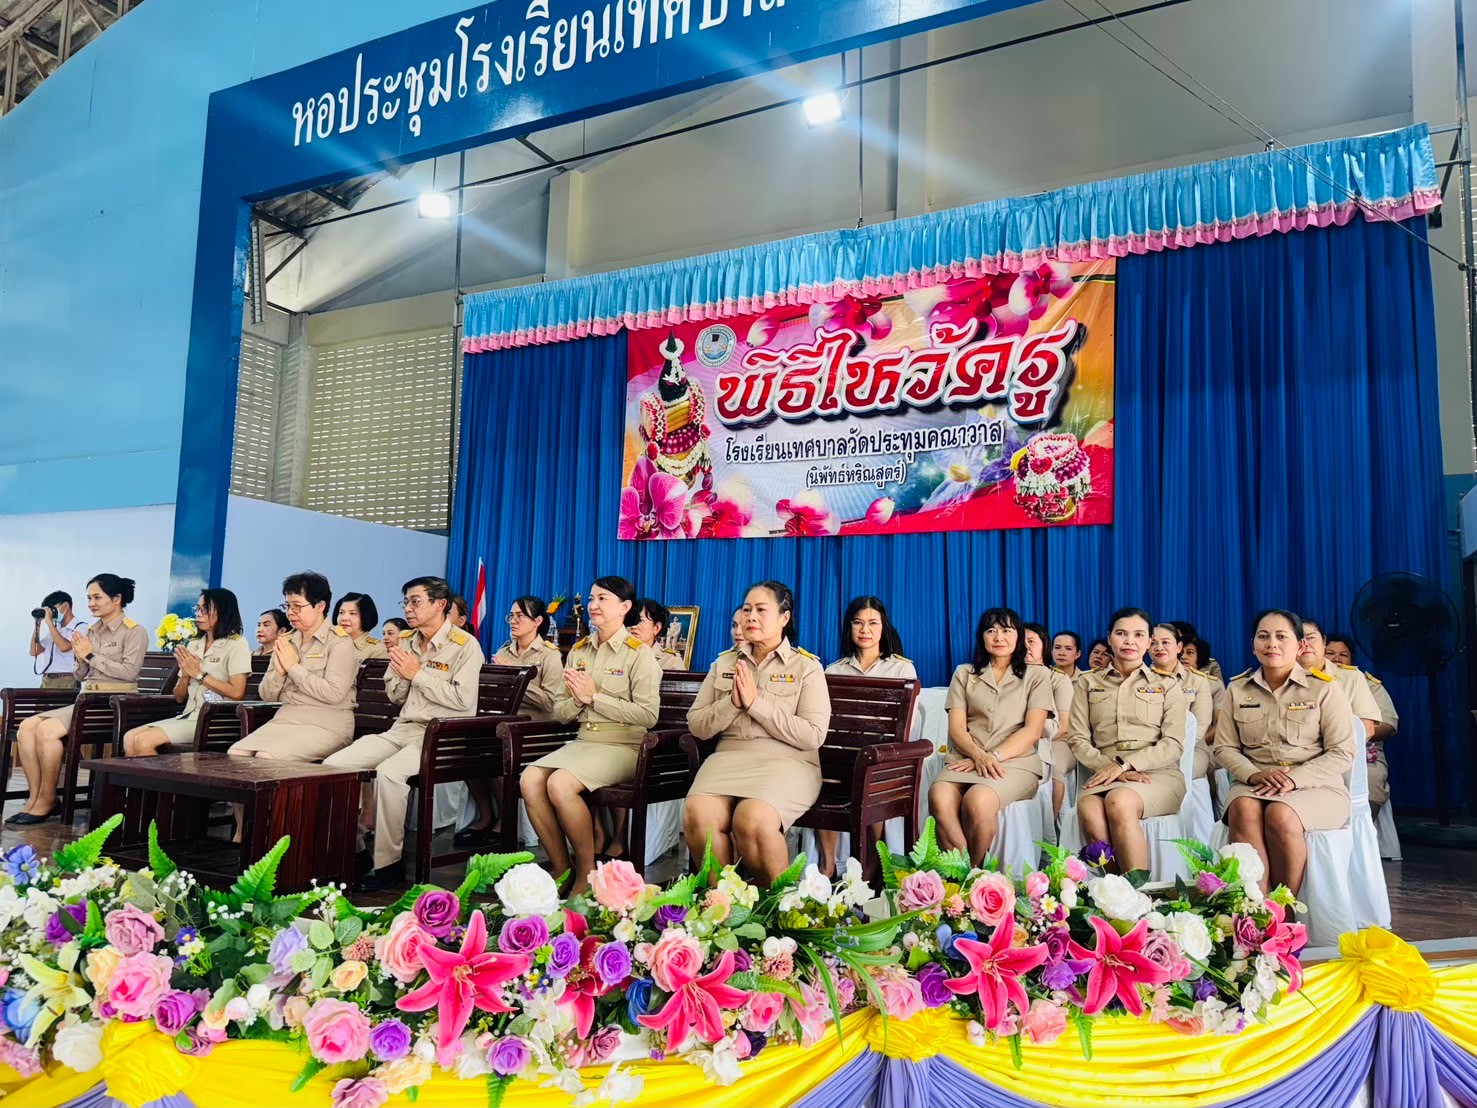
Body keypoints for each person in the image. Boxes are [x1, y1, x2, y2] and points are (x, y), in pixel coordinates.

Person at [325, 577, 486, 890]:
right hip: (402, 729)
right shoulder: (407, 641)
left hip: (442, 735)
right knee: (333, 766)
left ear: (440, 604)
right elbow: (396, 696)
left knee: (390, 773)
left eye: (415, 601)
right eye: (406, 602)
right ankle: (355, 852)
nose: (408, 609)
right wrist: (402, 676)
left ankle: (388, 865)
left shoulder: (465, 645)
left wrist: (418, 674)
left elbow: (463, 700)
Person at [520, 576, 661, 894]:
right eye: (592, 598)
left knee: (560, 784)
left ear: (625, 607)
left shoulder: (639, 654)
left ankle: (586, 871)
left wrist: (595, 698)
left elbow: (648, 716)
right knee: (529, 779)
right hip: (585, 741)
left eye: (602, 599)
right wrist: (579, 701)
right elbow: (560, 711)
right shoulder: (579, 651)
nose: (593, 605)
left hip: (623, 744)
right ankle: (562, 867)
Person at [685, 581, 830, 884]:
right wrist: (733, 703)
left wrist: (755, 705)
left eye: (761, 610)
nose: (751, 617)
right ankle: (724, 902)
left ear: (784, 618)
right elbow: (696, 724)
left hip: (788, 763)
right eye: (747, 609)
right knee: (698, 813)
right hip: (727, 760)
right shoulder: (724, 662)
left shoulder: (806, 667)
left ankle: (776, 904)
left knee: (752, 819)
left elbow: (813, 735)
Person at [1215, 610, 1356, 896]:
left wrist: (1294, 779)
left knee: (1280, 814)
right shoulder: (1238, 689)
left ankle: (1283, 909)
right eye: (1263, 637)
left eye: (1282, 637)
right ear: (1253, 645)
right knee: (1242, 809)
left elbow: (1342, 752)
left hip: (1316, 786)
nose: (1272, 644)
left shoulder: (1324, 689)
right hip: (1254, 782)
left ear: (1300, 645)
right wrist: (1253, 774)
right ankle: (1255, 906)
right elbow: (1224, 747)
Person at [10, 574, 149, 825]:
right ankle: (35, 798)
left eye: (97, 597)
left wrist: (91, 656)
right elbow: (81, 674)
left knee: (47, 731)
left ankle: (48, 799)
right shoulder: (92, 631)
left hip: (114, 704)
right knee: (27, 728)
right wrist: (80, 659)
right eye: (89, 598)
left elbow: (130, 673)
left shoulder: (134, 631)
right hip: (87, 698)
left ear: (116, 599)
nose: (91, 603)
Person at [1066, 608, 1187, 874]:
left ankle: (1138, 888)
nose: (1129, 641)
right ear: (1109, 638)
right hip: (1105, 773)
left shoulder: (1167, 685)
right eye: (1121, 633)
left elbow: (1173, 744)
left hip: (1158, 775)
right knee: (1088, 809)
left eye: (1138, 635)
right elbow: (1077, 738)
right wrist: (1111, 768)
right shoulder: (1087, 683)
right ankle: (1117, 888)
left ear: (1149, 641)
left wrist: (1125, 765)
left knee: (1119, 802)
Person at [928, 607, 1051, 864]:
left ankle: (975, 872)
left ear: (1018, 636)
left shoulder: (1037, 675)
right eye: (991, 630)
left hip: (1014, 762)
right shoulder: (965, 673)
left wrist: (990, 757)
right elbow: (956, 728)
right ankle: (964, 872)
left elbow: (1032, 731)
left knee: (977, 801)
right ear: (982, 636)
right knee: (939, 796)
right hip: (966, 757)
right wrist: (978, 756)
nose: (998, 637)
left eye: (1006, 630)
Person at [820, 596, 920, 876]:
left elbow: (907, 725)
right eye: (858, 623)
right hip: (843, 753)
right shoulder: (834, 670)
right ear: (849, 627)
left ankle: (871, 859)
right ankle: (828, 863)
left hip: (882, 756)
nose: (865, 630)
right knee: (821, 774)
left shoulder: (902, 669)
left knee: (871, 773)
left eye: (873, 623)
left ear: (883, 627)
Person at [456, 595, 565, 849]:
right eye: (511, 616)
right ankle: (486, 814)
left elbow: (551, 702)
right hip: (501, 724)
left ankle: (505, 820)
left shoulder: (549, 655)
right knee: (466, 752)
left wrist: (516, 677)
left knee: (497, 753)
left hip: (534, 729)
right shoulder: (504, 650)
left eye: (520, 616)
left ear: (537, 621)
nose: (513, 621)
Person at [228, 572, 358, 763]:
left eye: (297, 606)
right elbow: (266, 695)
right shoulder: (286, 641)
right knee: (235, 753)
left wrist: (293, 667)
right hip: (285, 719)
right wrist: (280, 673)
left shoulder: (340, 643)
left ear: (320, 606)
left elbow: (334, 694)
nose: (290, 612)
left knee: (267, 757)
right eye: (287, 606)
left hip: (326, 724)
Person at [120, 589, 252, 757]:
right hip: (189, 716)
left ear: (223, 611)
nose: (199, 614)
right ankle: (141, 777)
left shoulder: (236, 644)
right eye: (198, 609)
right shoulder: (194, 644)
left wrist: (199, 674)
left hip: (215, 720)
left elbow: (237, 693)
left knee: (143, 740)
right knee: (129, 737)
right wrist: (185, 676)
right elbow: (179, 697)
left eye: (205, 609)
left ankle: (158, 776)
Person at [1326, 633, 1398, 814]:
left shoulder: (1368, 684)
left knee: (1371, 779)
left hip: (1364, 751)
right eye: (1330, 653)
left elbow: (1389, 726)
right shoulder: (1310, 682)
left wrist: (1353, 733)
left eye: (1343, 655)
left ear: (1351, 659)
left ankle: (1362, 828)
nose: (1337, 659)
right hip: (1320, 751)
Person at [1147, 622, 1217, 778]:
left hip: (1191, 749)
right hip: (1149, 748)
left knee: (1175, 771)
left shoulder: (1197, 681)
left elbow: (1199, 726)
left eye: (1165, 642)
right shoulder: (1139, 680)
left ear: (1178, 647)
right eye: (1153, 643)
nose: (1159, 648)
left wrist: (1167, 750)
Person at [1297, 619, 1381, 744]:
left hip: (1340, 753)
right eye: (1298, 639)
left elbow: (1366, 729)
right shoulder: (1278, 677)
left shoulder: (1351, 677)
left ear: (1323, 641)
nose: (1305, 644)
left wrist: (1332, 753)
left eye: (1311, 638)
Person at [1024, 622, 1075, 823]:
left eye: (1031, 641)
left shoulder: (1057, 678)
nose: (1025, 646)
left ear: (1044, 646)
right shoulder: (1011, 676)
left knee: (1055, 769)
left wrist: (1028, 735)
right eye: (1021, 642)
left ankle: (1049, 826)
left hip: (1058, 739)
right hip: (1022, 738)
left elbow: (1063, 725)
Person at [28, 590, 90, 690]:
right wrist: (37, 623)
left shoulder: (81, 627)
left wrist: (49, 623)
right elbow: (34, 651)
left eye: (52, 609)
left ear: (65, 606)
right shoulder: (55, 630)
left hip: (67, 679)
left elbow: (64, 647)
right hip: (46, 680)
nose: (50, 614)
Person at [633, 598, 685, 671]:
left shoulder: (671, 661)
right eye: (629, 620)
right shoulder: (619, 655)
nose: (633, 626)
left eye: (640, 620)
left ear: (656, 628)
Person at [333, 593, 386, 659]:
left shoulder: (377, 650)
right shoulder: (331, 645)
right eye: (341, 612)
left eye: (352, 613)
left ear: (366, 616)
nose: (344, 618)